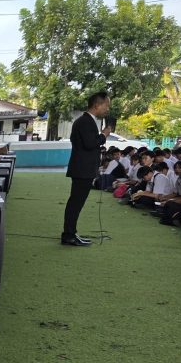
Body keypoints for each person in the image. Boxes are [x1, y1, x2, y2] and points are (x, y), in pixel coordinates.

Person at [63, 91, 111, 246]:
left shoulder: (86, 121)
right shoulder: (85, 121)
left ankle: (71, 233)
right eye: (106, 105)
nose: (107, 109)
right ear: (97, 105)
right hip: (82, 169)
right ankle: (69, 234)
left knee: (76, 203)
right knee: (76, 203)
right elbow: (90, 143)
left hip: (83, 168)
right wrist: (103, 135)